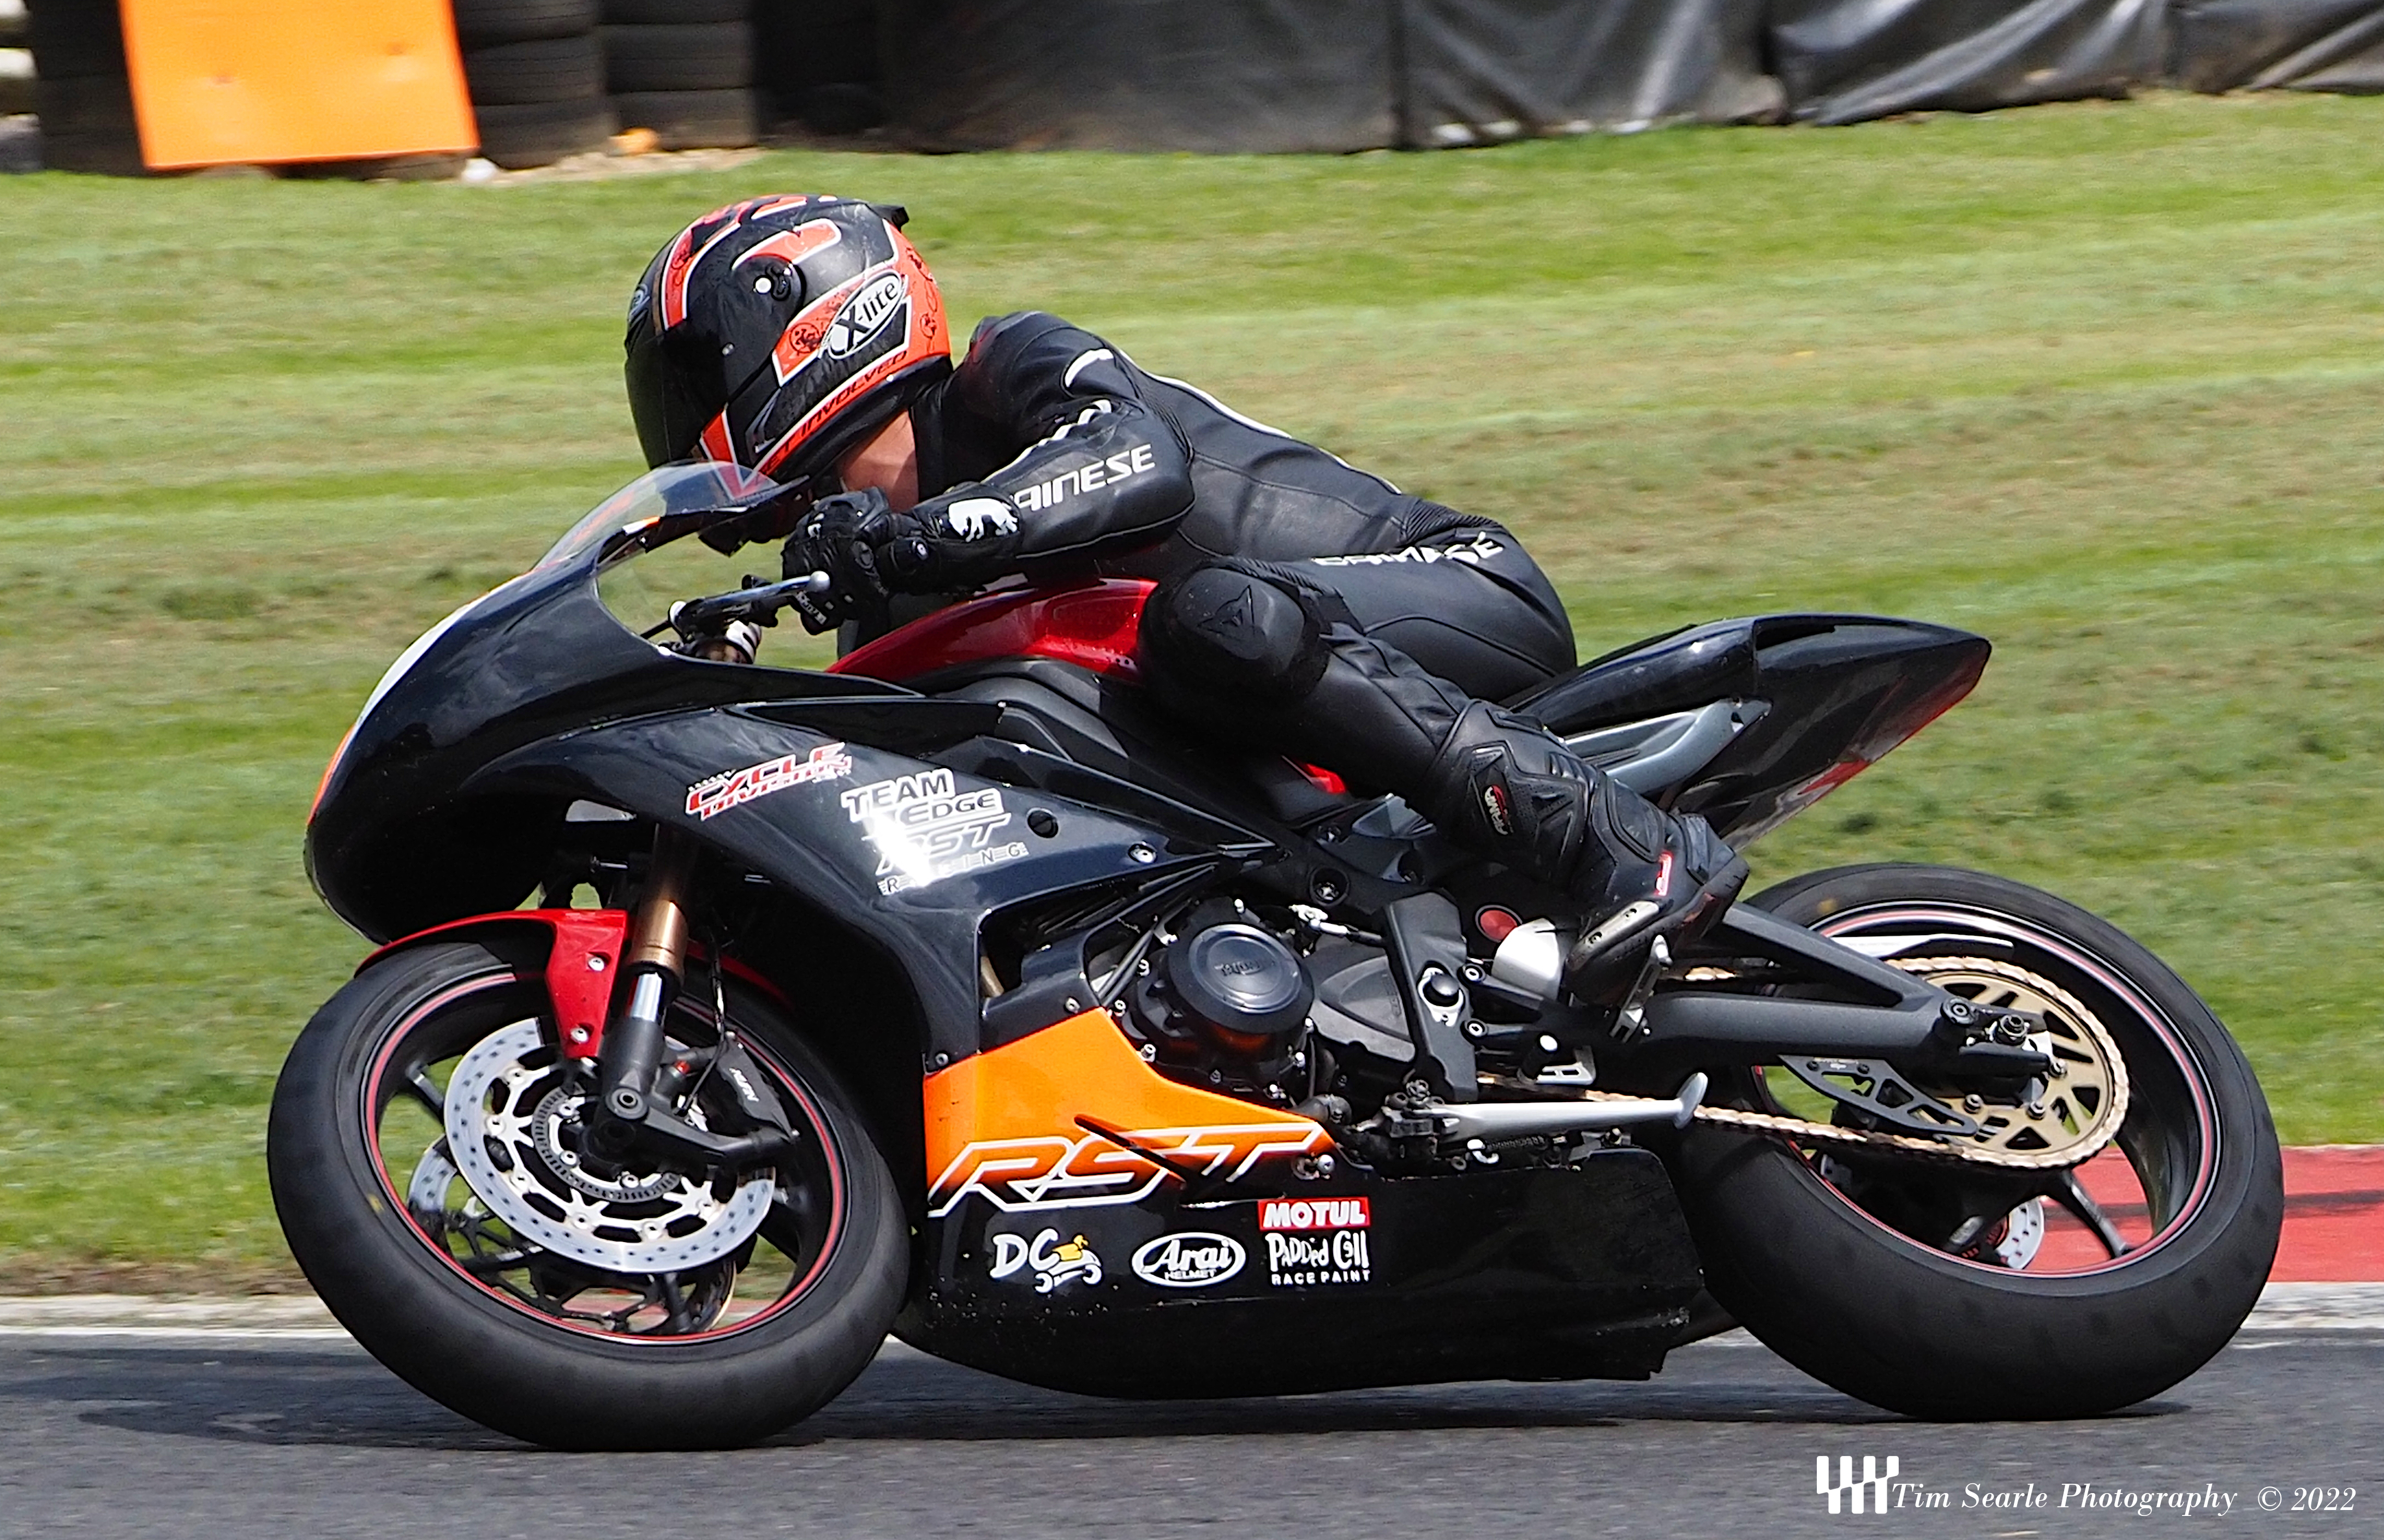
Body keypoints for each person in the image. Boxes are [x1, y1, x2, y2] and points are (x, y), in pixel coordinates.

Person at [623, 194, 1745, 1002]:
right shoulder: (883, 603)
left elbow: (1137, 460)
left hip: (1445, 591)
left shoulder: (1010, 366)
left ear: (802, 325)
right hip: (1276, 743)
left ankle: (1616, 840)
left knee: (1212, 616)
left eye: (688, 375)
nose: (672, 418)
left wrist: (936, 534)